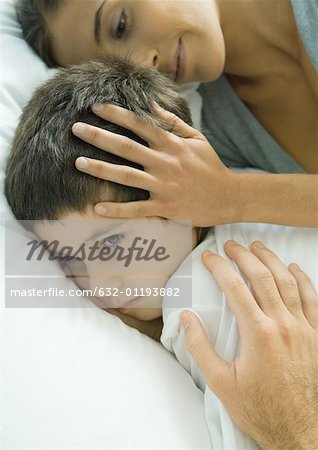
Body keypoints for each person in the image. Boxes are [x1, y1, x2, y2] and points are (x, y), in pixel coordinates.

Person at [5, 59, 318, 449]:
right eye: (70, 261)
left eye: (113, 244)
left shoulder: (200, 298)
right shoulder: (271, 198)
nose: (101, 286)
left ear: (181, 195)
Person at [15, 0, 318, 228]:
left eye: (121, 25)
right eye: (118, 67)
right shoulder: (209, 139)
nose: (145, 65)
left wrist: (234, 196)